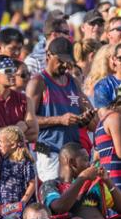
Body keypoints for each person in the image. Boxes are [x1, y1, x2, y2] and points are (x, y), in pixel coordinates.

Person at [27, 37, 96, 181]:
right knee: (53, 198)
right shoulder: (38, 82)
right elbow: (28, 121)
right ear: (48, 56)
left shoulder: (73, 82)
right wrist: (60, 119)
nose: (65, 65)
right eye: (61, 60)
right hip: (47, 150)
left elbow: (85, 120)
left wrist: (84, 119)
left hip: (72, 153)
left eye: (68, 61)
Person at [0, 126, 36, 219]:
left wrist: (23, 202)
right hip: (5, 205)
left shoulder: (24, 162)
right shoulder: (3, 160)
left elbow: (32, 183)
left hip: (19, 205)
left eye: (1, 142)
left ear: (13, 144)